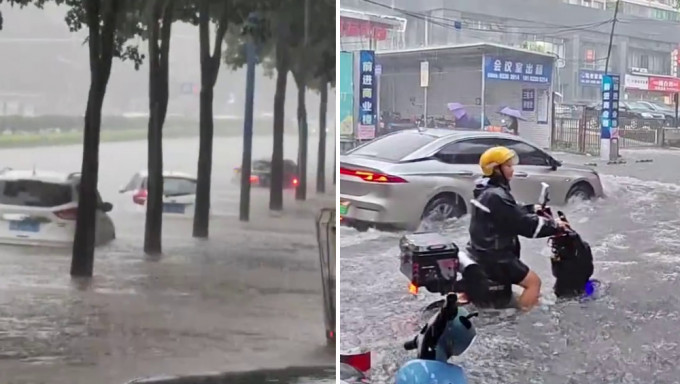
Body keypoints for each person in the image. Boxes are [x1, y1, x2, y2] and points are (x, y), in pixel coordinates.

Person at [466, 146, 568, 311]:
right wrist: (555, 226)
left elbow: (508, 213)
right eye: (508, 166)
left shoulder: (487, 190)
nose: (512, 169)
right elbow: (524, 226)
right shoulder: (496, 195)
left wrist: (531, 209)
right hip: (496, 256)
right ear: (496, 169)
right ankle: (520, 319)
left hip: (481, 251)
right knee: (534, 283)